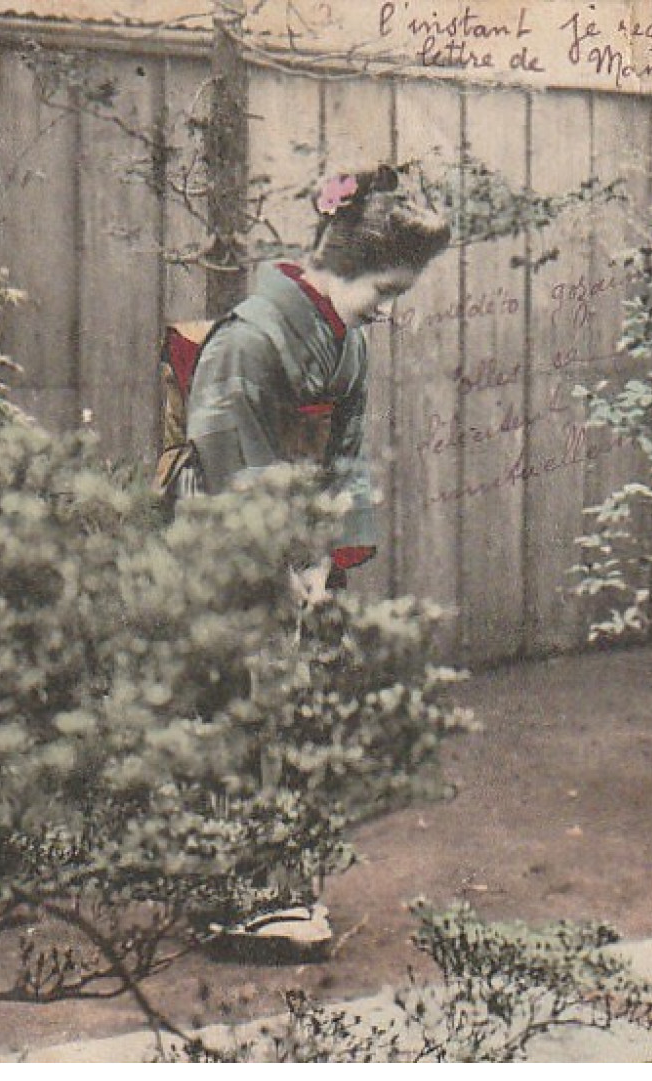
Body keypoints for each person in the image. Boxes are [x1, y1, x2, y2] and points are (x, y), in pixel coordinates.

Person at [178, 165, 450, 957]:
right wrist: (283, 557)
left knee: (296, 710)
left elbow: (345, 456)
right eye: (386, 292)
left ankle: (286, 887)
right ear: (344, 267)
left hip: (298, 551)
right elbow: (228, 455)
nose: (387, 310)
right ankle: (231, 896)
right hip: (227, 545)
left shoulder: (347, 347)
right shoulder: (249, 338)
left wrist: (327, 557)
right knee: (236, 714)